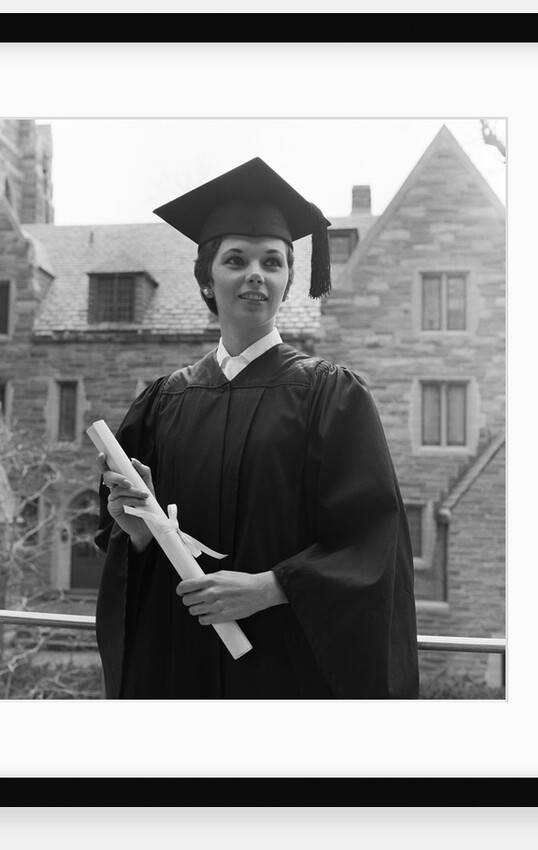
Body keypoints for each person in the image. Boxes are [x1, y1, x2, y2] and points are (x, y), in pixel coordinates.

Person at [94, 157, 419, 699]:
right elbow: (128, 557)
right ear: (207, 278)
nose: (255, 275)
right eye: (236, 259)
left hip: (286, 662)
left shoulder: (330, 398)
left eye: (272, 262)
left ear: (290, 279)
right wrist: (137, 533)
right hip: (183, 655)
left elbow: (372, 539)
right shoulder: (166, 402)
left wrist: (270, 587)